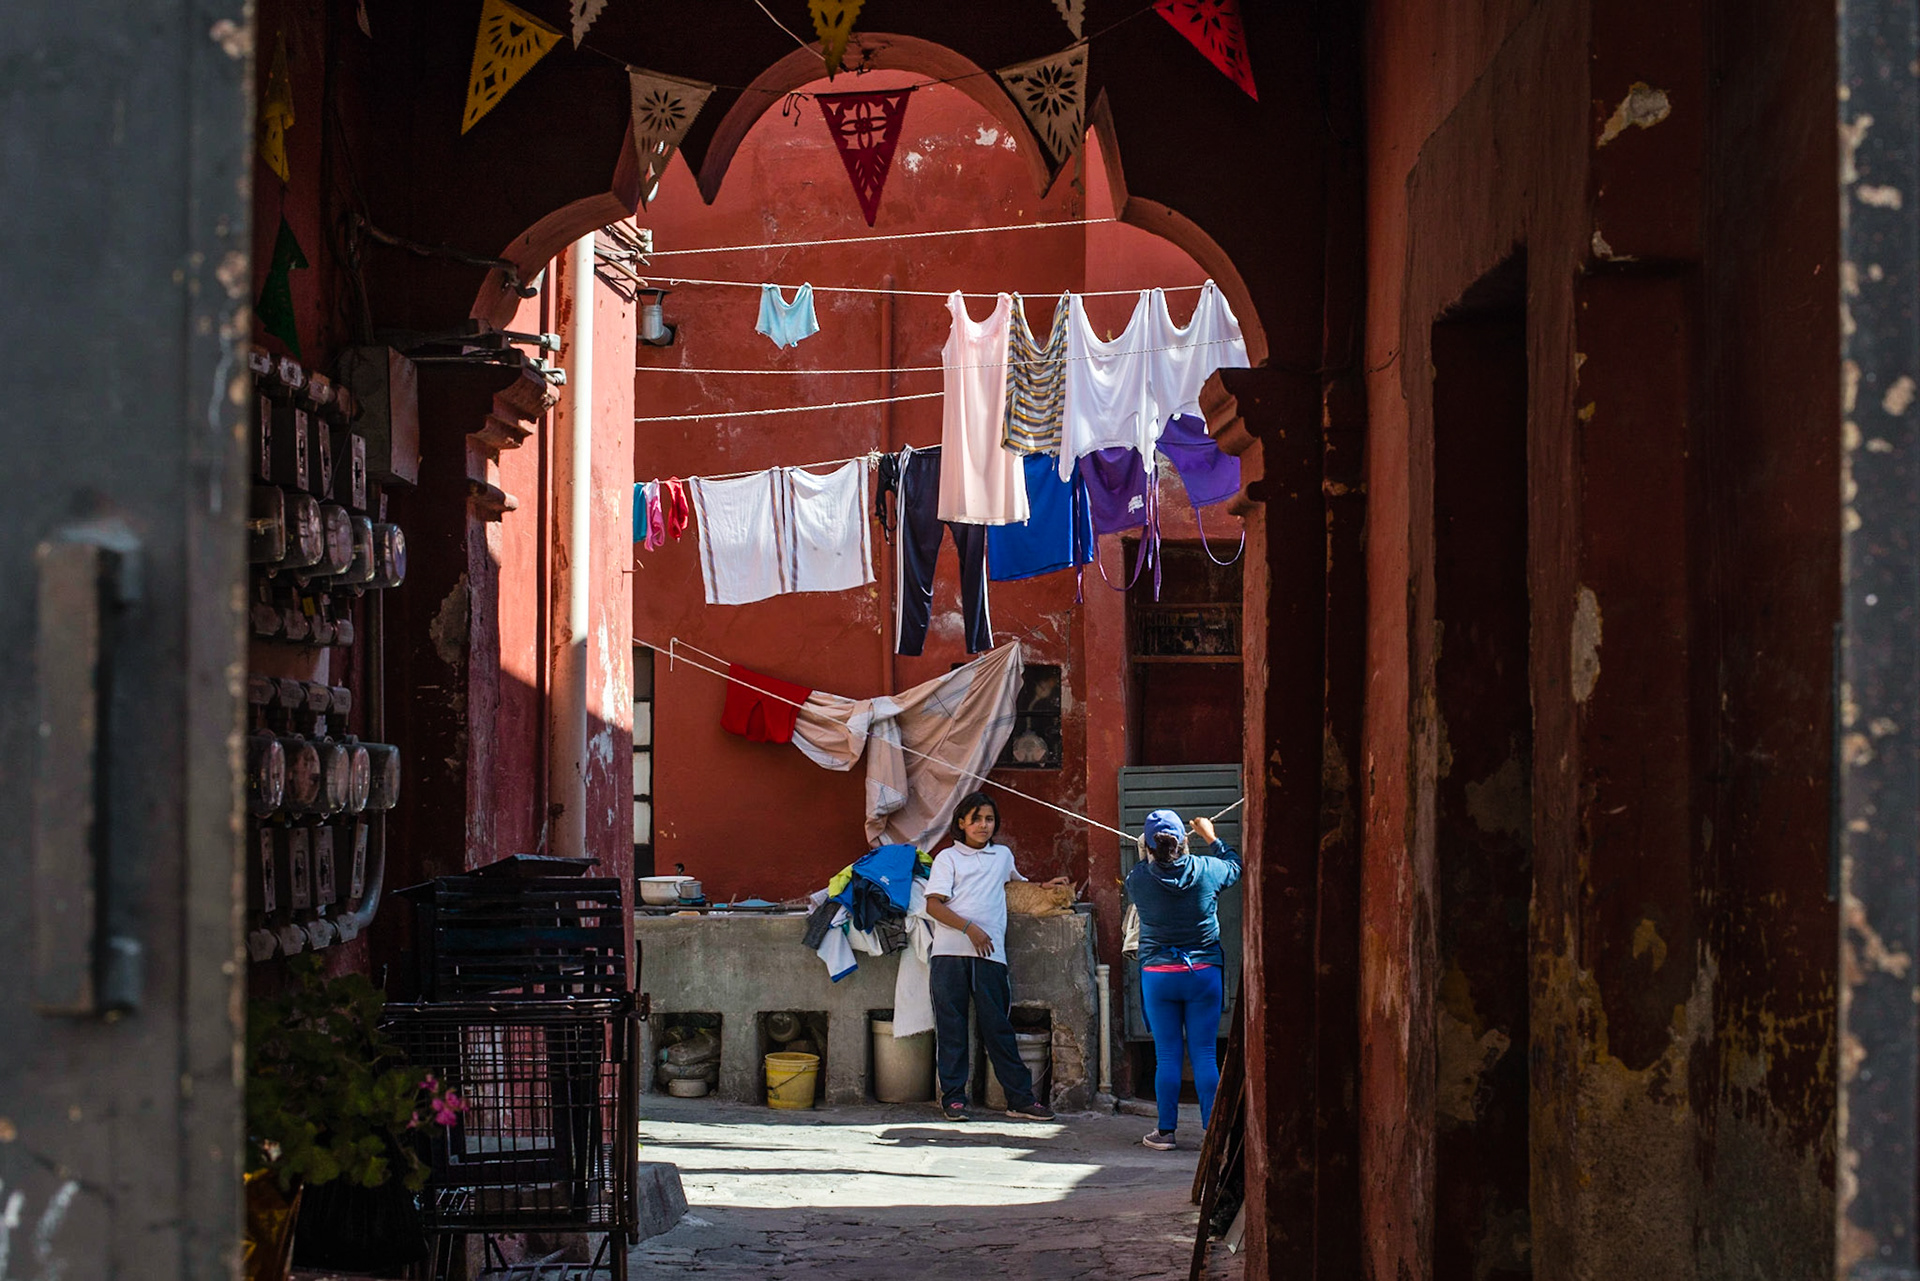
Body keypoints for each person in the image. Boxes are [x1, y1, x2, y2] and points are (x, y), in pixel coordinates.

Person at [923, 791, 1066, 1122]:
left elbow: (1016, 886)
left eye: (989, 819)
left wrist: (1046, 886)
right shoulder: (947, 858)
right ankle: (954, 1099)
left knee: (998, 1028)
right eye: (975, 819)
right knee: (952, 1028)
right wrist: (969, 929)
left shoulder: (1002, 856)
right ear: (961, 823)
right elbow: (933, 905)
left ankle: (1019, 1099)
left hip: (990, 956)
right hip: (949, 955)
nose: (983, 825)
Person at [1125, 808, 1241, 1150]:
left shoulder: (1138, 879)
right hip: (1203, 973)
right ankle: (1212, 1134)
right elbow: (1235, 866)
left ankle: (1165, 1132)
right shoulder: (1208, 870)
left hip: (1159, 976)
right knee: (1204, 1053)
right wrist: (1211, 836)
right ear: (1183, 841)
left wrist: (1147, 849)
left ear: (1149, 845)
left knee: (1167, 1055)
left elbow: (1145, 867)